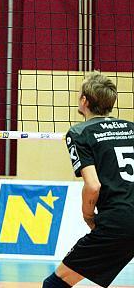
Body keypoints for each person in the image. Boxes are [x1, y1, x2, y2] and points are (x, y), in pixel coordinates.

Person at [42, 72, 134, 288]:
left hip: (118, 221)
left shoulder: (79, 132)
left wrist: (88, 215)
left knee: (55, 283)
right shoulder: (131, 128)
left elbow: (93, 185)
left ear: (85, 100)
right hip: (124, 219)